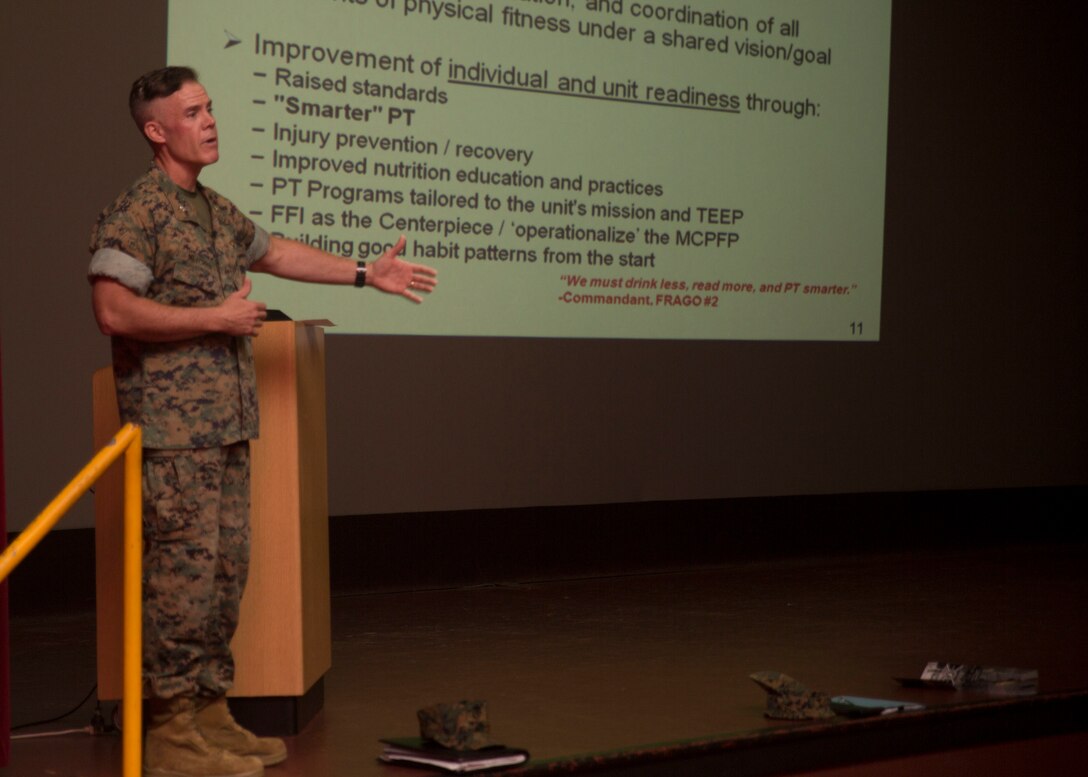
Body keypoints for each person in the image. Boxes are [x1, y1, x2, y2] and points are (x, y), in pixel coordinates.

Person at [88, 66, 437, 777]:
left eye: (210, 107)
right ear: (157, 131)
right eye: (191, 112)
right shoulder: (138, 210)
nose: (210, 120)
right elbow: (113, 310)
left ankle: (209, 712)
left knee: (222, 577)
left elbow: (274, 253)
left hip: (227, 426)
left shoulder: (213, 209)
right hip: (174, 435)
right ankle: (170, 730)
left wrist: (366, 275)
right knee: (180, 586)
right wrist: (213, 316)